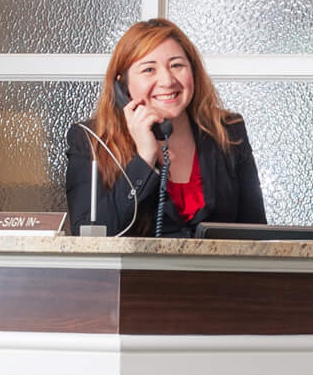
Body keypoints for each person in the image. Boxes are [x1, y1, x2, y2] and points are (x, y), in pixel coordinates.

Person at [64, 18, 266, 236]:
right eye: (149, 69)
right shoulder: (91, 140)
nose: (167, 80)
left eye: (177, 65)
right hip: (135, 271)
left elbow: (256, 234)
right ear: (123, 86)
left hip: (219, 271)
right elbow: (89, 236)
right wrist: (143, 158)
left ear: (193, 72)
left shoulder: (227, 131)